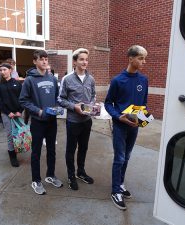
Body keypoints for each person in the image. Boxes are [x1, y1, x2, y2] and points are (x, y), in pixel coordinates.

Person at [104, 45, 148, 210]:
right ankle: (115, 191)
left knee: (127, 157)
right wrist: (118, 116)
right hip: (120, 125)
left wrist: (142, 119)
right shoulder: (117, 80)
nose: (144, 62)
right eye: (141, 58)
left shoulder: (144, 80)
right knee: (119, 158)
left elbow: (143, 103)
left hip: (134, 126)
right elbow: (108, 103)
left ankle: (121, 183)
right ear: (131, 58)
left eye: (144, 58)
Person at [19, 50, 63, 195]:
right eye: (41, 59)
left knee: (51, 150)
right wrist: (38, 111)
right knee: (36, 152)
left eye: (46, 59)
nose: (44, 61)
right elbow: (23, 100)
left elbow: (57, 97)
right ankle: (36, 180)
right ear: (35, 61)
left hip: (52, 121)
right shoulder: (29, 80)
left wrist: (58, 108)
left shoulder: (51, 78)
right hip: (38, 122)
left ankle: (50, 175)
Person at [58, 48, 96, 190]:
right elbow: (60, 99)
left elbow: (93, 95)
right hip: (73, 122)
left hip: (87, 121)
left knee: (84, 148)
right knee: (71, 149)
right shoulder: (66, 79)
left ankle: (81, 172)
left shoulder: (90, 79)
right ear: (75, 61)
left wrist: (92, 105)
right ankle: (71, 175)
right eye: (81, 59)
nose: (85, 62)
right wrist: (74, 107)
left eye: (86, 59)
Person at [0, 63, 23, 167]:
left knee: (19, 133)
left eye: (4, 69)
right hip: (6, 114)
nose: (2, 72)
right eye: (1, 70)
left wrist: (20, 110)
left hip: (18, 113)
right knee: (10, 134)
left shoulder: (17, 83)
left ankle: (18, 148)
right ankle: (12, 156)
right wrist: (8, 112)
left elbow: (22, 98)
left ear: (10, 70)